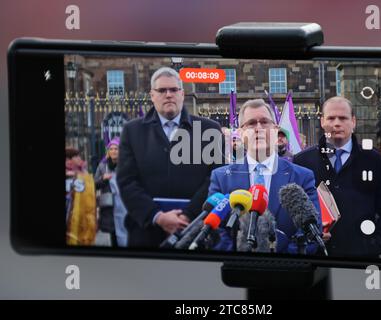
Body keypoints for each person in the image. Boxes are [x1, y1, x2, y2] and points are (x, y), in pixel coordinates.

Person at [117, 67, 223, 247]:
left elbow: (215, 178)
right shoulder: (132, 131)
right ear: (152, 95)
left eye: (174, 90)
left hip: (197, 231)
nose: (168, 95)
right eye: (162, 90)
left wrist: (188, 214)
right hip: (146, 233)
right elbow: (127, 181)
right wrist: (157, 216)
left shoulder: (209, 129)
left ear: (182, 94)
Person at [208, 99, 322, 254]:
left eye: (264, 122)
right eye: (251, 123)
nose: (258, 128)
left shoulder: (302, 177)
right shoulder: (221, 177)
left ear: (275, 129)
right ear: (240, 133)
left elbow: (312, 231)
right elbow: (215, 232)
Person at [294, 96, 381, 258]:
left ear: (353, 122)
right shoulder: (302, 161)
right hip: (317, 259)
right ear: (322, 121)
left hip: (361, 258)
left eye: (343, 118)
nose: (337, 123)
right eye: (331, 118)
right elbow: (293, 210)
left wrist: (376, 244)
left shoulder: (376, 161)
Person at [94, 137, 128, 247]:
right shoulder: (103, 166)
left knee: (126, 228)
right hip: (110, 204)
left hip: (124, 203)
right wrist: (103, 179)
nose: (113, 151)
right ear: (108, 151)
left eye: (116, 149)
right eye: (111, 149)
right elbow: (94, 184)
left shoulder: (126, 165)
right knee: (113, 231)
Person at [65, 147, 97, 245]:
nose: (79, 158)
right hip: (69, 211)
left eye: (79, 155)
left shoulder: (84, 172)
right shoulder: (68, 174)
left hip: (84, 213)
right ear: (68, 160)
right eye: (76, 156)